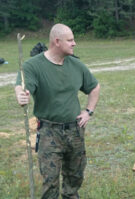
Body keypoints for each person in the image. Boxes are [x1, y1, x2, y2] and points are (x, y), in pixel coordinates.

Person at [15, 23, 100, 199]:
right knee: (50, 180)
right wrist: (21, 95)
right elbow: (22, 86)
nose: (74, 43)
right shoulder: (33, 65)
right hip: (49, 132)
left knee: (75, 176)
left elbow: (94, 87)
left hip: (75, 130)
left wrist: (88, 111)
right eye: (70, 40)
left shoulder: (76, 65)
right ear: (57, 42)